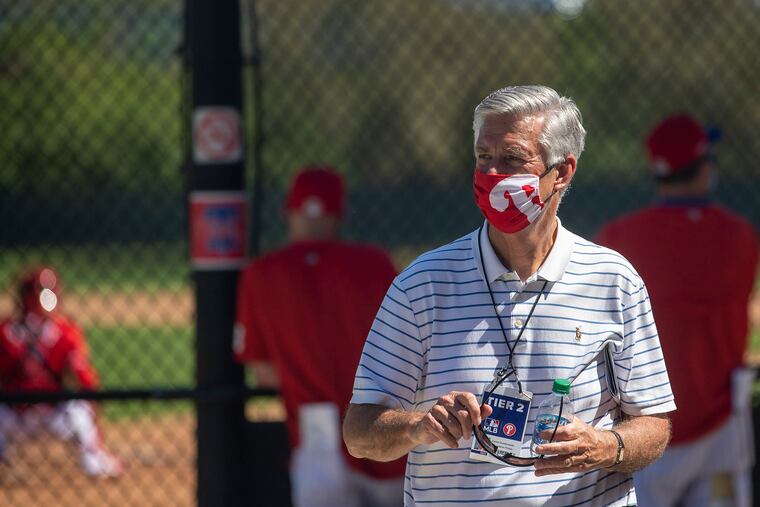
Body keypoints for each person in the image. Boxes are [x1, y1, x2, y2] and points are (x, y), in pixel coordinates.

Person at [342, 85, 676, 506]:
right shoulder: (422, 284)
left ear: (563, 171)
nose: (494, 174)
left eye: (512, 159)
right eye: (484, 158)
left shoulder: (613, 280)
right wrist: (418, 426)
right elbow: (359, 433)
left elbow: (654, 424)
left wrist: (606, 446)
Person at [596, 114, 759, 507]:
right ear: (703, 167)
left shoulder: (617, 238)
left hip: (642, 427)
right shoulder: (738, 236)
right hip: (717, 423)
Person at [233, 166, 406, 507]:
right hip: (381, 422)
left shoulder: (261, 273)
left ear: (291, 211)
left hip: (317, 436)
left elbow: (264, 374)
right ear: (339, 214)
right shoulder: (375, 264)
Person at [0, 266, 123, 478]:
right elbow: (85, 381)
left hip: (13, 418)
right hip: (55, 417)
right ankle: (93, 459)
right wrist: (96, 420)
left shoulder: (4, 331)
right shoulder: (65, 331)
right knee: (79, 409)